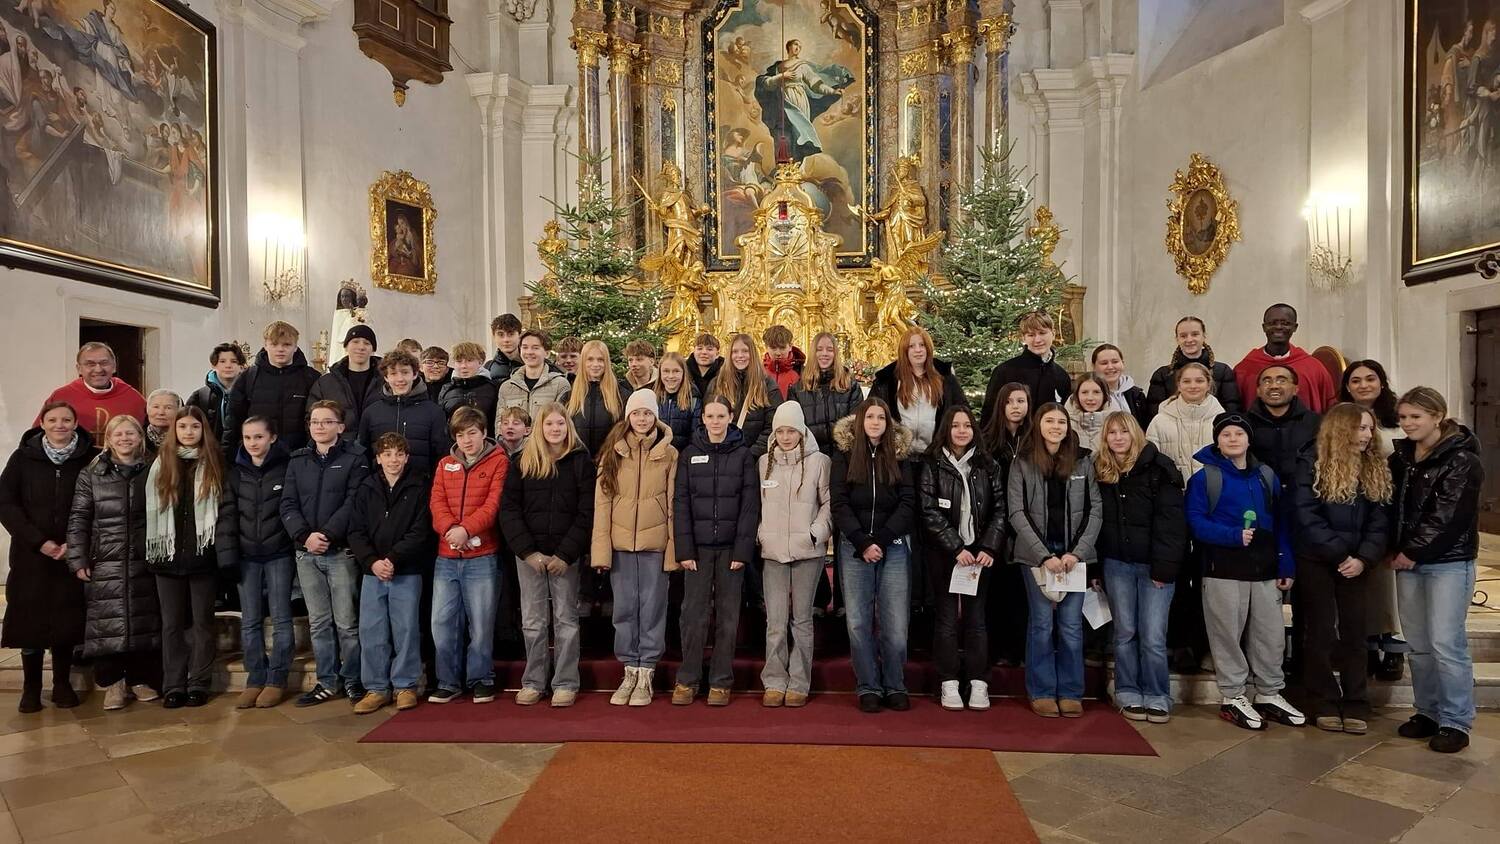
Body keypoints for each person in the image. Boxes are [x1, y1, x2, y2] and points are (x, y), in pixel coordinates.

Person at [1185, 413, 1304, 731]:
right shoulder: (1205, 478)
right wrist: (1231, 535)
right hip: (1222, 569)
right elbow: (1195, 522)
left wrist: (1285, 563)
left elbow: (1281, 522)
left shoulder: (1266, 475)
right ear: (1217, 441)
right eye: (1226, 434)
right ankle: (1233, 695)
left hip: (1263, 568)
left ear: (1249, 439)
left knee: (1270, 635)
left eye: (1239, 433)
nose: (1233, 439)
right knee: (1227, 634)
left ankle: (1268, 692)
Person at [1389, 387, 1484, 754]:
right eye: (1403, 417)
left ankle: (1456, 721)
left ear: (1438, 416)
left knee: (1447, 643)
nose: (1408, 423)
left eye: (1416, 416)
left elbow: (1449, 515)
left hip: (1448, 563)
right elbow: (1392, 508)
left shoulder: (1462, 459)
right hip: (1407, 562)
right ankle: (1427, 712)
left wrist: (1411, 551)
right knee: (1418, 645)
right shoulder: (1402, 458)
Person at [1293, 403, 1390, 736]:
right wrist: (1338, 554)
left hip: (1358, 563)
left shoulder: (1373, 465)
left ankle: (1356, 701)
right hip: (1317, 560)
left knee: (1355, 632)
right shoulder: (1311, 462)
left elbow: (1381, 519)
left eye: (1370, 428)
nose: (1367, 435)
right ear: (1341, 429)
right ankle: (1322, 700)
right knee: (1320, 632)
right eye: (1360, 428)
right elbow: (1306, 514)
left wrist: (1363, 558)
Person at [1009, 403, 1101, 718]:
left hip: (1074, 556)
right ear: (1038, 425)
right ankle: (1042, 690)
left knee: (1071, 626)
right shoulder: (1022, 462)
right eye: (1049, 421)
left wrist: (1077, 552)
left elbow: (1095, 510)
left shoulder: (1083, 460)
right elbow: (1016, 512)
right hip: (1037, 556)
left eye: (1061, 421)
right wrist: (1043, 555)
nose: (1056, 427)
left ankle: (1071, 691)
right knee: (1041, 624)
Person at [499, 404, 594, 707]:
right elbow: (509, 510)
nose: (555, 429)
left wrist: (566, 554)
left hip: (566, 557)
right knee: (533, 621)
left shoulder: (581, 461)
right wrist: (528, 552)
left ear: (568, 427)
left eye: (560, 424)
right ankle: (534, 681)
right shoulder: (522, 462)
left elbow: (587, 512)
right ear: (539, 428)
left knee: (566, 619)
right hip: (530, 556)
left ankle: (565, 682)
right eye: (549, 424)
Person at [1094, 411, 1187, 723]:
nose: (1118, 438)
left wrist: (1165, 568)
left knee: (1153, 635)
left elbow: (1172, 524)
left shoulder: (1160, 468)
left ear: (1135, 433)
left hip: (1154, 567)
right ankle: (1127, 690)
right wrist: (1095, 568)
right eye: (1112, 433)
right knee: (1125, 632)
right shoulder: (1102, 470)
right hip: (1116, 564)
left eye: (1124, 431)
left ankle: (1157, 694)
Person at [0, 401, 92, 713]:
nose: (59, 425)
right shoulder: (23, 458)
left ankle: (62, 683)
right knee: (31, 619)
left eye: (66, 419)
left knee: (67, 618)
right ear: (42, 423)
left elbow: (96, 502)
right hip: (32, 554)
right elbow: (6, 503)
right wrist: (39, 542)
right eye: (52, 420)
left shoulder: (89, 458)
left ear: (76, 423)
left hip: (72, 552)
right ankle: (31, 688)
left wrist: (73, 545)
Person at [66, 415, 162, 711]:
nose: (124, 439)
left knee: (143, 619)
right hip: (105, 557)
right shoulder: (92, 473)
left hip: (144, 556)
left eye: (130, 433)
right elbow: (79, 517)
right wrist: (78, 557)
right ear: (108, 439)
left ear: (140, 437)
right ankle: (112, 683)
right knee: (106, 622)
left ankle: (140, 679)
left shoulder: (154, 468)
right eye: (118, 434)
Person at [592, 390, 679, 707]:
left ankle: (646, 672)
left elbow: (673, 504)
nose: (642, 419)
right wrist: (601, 552)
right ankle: (629, 669)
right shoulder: (613, 452)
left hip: (655, 545)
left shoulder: (669, 454)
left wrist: (672, 550)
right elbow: (602, 504)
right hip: (621, 546)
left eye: (647, 413)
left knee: (653, 608)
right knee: (625, 609)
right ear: (628, 416)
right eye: (636, 413)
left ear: (655, 417)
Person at [671, 396, 759, 707]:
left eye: (721, 416)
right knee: (693, 616)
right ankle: (688, 678)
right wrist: (684, 549)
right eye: (710, 416)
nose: (716, 421)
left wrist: (742, 551)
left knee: (728, 617)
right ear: (703, 419)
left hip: (731, 550)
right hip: (697, 549)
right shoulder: (689, 454)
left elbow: (750, 506)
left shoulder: (743, 455)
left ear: (731, 417)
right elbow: (681, 503)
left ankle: (721, 681)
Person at [281, 401, 370, 707]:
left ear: (340, 427)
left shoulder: (355, 458)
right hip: (306, 553)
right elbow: (288, 503)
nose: (320, 426)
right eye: (315, 421)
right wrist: (305, 536)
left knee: (346, 622)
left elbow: (353, 502)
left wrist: (328, 535)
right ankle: (327, 681)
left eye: (327, 421)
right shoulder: (298, 460)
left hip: (340, 551)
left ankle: (353, 679)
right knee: (319, 623)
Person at [831, 398, 916, 713]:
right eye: (870, 417)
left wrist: (880, 539)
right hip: (854, 547)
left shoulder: (900, 455)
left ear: (888, 423)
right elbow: (839, 502)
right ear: (860, 421)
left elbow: (908, 502)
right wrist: (862, 541)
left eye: (881, 417)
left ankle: (894, 684)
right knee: (858, 622)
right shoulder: (843, 455)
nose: (876, 422)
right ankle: (868, 685)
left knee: (895, 624)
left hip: (893, 544)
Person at [920, 405, 1007, 712]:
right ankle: (948, 681)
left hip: (979, 555)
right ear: (946, 429)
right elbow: (928, 510)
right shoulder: (931, 463)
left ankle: (979, 680)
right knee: (946, 619)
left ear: (974, 430)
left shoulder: (988, 464)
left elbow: (1000, 509)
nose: (961, 431)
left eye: (967, 425)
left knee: (976, 619)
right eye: (955, 425)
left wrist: (988, 547)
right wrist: (956, 547)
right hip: (946, 554)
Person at [143, 407, 226, 708]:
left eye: (194, 427)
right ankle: (174, 684)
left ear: (204, 430)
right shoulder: (160, 464)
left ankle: (199, 683)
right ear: (173, 431)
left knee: (202, 622)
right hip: (166, 557)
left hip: (203, 555)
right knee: (171, 625)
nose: (188, 432)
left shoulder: (215, 463)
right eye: (182, 427)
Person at [348, 433, 434, 715]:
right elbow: (355, 531)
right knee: (371, 630)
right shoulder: (366, 487)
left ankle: (405, 686)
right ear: (378, 458)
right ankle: (376, 688)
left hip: (406, 569)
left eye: (398, 454)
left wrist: (393, 558)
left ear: (407, 457)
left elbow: (420, 530)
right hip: (372, 572)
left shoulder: (420, 486)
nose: (393, 460)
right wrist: (372, 561)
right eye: (387, 454)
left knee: (406, 629)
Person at [428, 407, 508, 704]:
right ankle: (448, 681)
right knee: (441, 622)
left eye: (472, 433)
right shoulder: (444, 464)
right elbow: (437, 503)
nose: (467, 440)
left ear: (484, 432)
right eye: (460, 435)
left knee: (481, 623)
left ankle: (481, 678)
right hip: (447, 555)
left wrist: (466, 530)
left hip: (482, 555)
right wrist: (451, 530)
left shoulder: (499, 461)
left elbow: (493, 504)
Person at [757, 402, 831, 708]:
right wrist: (761, 533)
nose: (786, 437)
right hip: (772, 552)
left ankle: (799, 682)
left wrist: (816, 532)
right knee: (775, 621)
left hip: (807, 552)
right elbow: (757, 503)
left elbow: (828, 503)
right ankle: (774, 680)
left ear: (801, 431)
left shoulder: (820, 462)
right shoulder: (764, 462)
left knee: (801, 620)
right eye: (781, 431)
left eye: (791, 431)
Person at [218, 415, 295, 709]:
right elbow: (227, 516)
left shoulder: (286, 468)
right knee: (250, 621)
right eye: (248, 437)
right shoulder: (235, 473)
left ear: (272, 437)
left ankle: (276, 679)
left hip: (278, 554)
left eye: (259, 437)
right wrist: (228, 555)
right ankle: (255, 678)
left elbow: (291, 508)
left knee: (281, 619)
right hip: (247, 557)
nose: (253, 443)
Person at [1340, 359, 1406, 680]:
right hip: (1353, 507)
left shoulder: (1399, 420)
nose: (1363, 385)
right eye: (1355, 380)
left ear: (1381, 382)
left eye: (1370, 378)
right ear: (1347, 386)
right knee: (1360, 584)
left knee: (1387, 584)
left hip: (1391, 505)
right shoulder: (1338, 418)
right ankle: (1364, 644)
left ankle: (1392, 646)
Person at [981, 382, 1032, 667]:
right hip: (994, 522)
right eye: (1010, 401)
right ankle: (995, 649)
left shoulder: (1034, 439)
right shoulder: (987, 439)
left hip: (1026, 522)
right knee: (995, 588)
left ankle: (1019, 649)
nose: (1016, 407)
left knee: (1020, 589)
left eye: (1021, 401)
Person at [869, 326, 965, 457]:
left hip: (935, 454)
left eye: (922, 345)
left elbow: (962, 411)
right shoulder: (886, 381)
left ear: (928, 348)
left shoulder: (946, 379)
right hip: (898, 456)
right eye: (912, 346)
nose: (918, 350)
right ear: (905, 351)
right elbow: (871, 414)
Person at [228, 321, 321, 452]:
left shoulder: (311, 377)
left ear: (295, 347)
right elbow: (233, 421)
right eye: (274, 344)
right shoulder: (248, 377)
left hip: (299, 454)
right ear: (265, 346)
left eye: (287, 344)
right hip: (260, 455)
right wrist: (230, 456)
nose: (280, 349)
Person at [357, 350, 452, 474]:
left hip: (420, 483)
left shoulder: (434, 412)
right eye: (393, 373)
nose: (400, 379)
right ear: (386, 377)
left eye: (405, 372)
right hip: (378, 483)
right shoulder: (371, 412)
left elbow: (441, 455)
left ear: (415, 374)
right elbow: (362, 454)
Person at [1233, 304, 1337, 413]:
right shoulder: (1244, 370)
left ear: (1295, 327)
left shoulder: (1313, 368)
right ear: (1264, 327)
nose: (1278, 327)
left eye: (1285, 323)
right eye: (1272, 323)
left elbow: (1330, 408)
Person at [980, 312, 1071, 428]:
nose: (1037, 340)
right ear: (1024, 338)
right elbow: (989, 415)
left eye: (1042, 333)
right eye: (1031, 335)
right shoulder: (1005, 371)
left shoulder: (1061, 376)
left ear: (1053, 334)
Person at [37, 342, 146, 435]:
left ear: (114, 367)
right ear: (79, 369)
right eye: (90, 364)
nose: (98, 369)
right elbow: (37, 437)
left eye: (104, 363)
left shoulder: (133, 398)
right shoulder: (61, 397)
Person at [1144, 316, 1242, 421]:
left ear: (1204, 336)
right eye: (1183, 336)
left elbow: (1231, 410)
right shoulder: (1163, 375)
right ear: (1177, 339)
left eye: (1195, 334)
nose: (1189, 339)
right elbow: (1154, 415)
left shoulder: (1222, 371)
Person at [1146, 363, 1226, 482]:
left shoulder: (1222, 422)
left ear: (1208, 385)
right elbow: (1151, 460)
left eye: (1199, 381)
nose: (1193, 386)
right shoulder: (1159, 421)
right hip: (1173, 488)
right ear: (1179, 385)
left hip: (1212, 487)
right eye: (1186, 381)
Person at [706, 333, 782, 456]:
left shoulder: (767, 384)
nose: (740, 355)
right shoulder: (717, 384)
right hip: (723, 456)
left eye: (745, 351)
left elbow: (773, 425)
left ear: (752, 354)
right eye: (735, 351)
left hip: (754, 457)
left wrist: (750, 454)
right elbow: (707, 421)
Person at [1246, 364, 1321, 489]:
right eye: (1267, 381)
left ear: (1295, 389)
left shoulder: (1316, 422)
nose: (1274, 386)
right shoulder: (1244, 424)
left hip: (1304, 493)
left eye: (1281, 380)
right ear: (1258, 391)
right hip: (1258, 492)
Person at [791, 330, 860, 460]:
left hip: (844, 455)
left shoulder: (850, 386)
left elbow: (856, 422)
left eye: (829, 349)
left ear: (835, 353)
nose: (824, 354)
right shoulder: (798, 389)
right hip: (811, 456)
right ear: (813, 353)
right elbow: (796, 426)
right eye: (819, 349)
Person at [307, 325, 384, 430]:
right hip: (338, 439)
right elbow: (311, 416)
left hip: (377, 439)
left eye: (367, 343)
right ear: (346, 347)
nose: (361, 347)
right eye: (355, 342)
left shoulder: (386, 381)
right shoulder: (325, 383)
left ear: (373, 349)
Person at [567, 340, 629, 457]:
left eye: (600, 359)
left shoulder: (621, 396)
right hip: (578, 461)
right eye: (590, 359)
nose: (595, 364)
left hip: (609, 461)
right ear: (583, 362)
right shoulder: (569, 397)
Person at [498, 330, 572, 421]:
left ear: (547, 353)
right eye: (525, 347)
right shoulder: (507, 387)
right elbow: (500, 423)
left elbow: (562, 422)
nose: (529, 352)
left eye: (535, 348)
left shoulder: (560, 385)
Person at [187, 342, 245, 452]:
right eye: (222, 361)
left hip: (243, 455)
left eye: (234, 361)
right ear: (214, 365)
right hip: (209, 455)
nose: (228, 366)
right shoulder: (200, 396)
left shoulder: (249, 394)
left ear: (241, 366)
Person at [438, 342, 501, 432]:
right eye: (459, 361)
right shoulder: (446, 389)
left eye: (469, 360)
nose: (464, 366)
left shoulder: (493, 388)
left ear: (480, 362)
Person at [1091, 344, 1148, 427]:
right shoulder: (1086, 396)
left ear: (1123, 363)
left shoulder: (1137, 396)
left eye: (1115, 362)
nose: (1110, 367)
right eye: (1104, 363)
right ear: (1093, 367)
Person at [655, 352, 700, 452]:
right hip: (658, 455)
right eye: (666, 371)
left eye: (676, 371)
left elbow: (695, 434)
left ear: (683, 373)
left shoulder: (693, 399)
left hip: (684, 454)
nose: (671, 376)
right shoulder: (654, 398)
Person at [1066, 375, 1110, 454]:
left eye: (1096, 392)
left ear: (1104, 395)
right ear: (1077, 395)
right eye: (1084, 392)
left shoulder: (1118, 424)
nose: (1090, 398)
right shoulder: (1065, 425)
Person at [761, 324, 805, 400]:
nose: (778, 353)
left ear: (790, 346)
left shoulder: (801, 372)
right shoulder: (759, 371)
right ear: (766, 347)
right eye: (773, 348)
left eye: (782, 348)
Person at [484, 313, 524, 383]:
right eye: (501, 335)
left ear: (520, 336)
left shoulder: (533, 363)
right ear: (494, 337)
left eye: (511, 334)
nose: (506, 340)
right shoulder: (488, 368)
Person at [688, 332, 724, 400]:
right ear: (694, 351)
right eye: (700, 348)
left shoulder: (725, 372)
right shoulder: (684, 370)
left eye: (709, 349)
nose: (704, 352)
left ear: (717, 354)